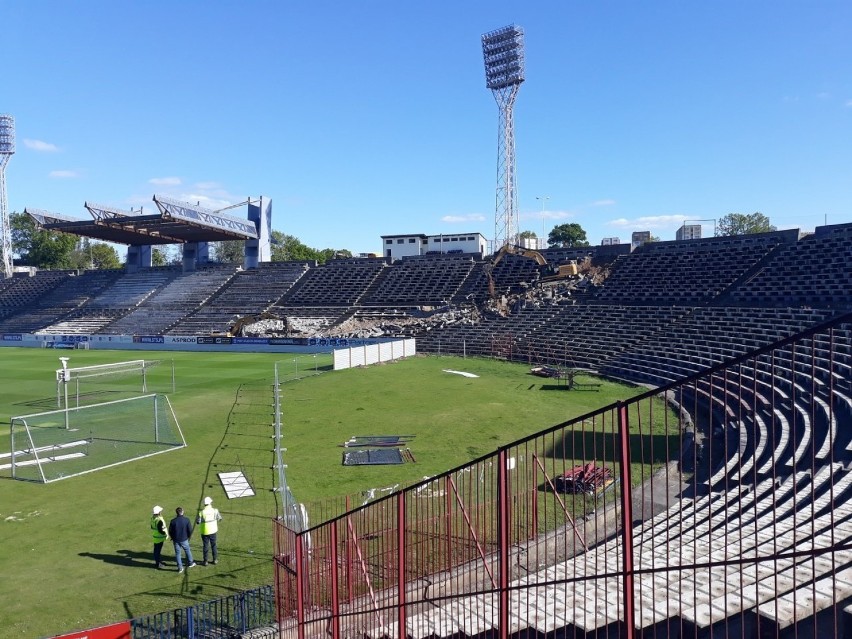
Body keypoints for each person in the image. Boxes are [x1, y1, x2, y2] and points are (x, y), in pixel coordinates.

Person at [167, 506, 197, 573]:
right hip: (184, 539)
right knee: (187, 550)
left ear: (177, 513)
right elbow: (190, 530)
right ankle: (191, 563)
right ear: (182, 512)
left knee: (178, 553)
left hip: (176, 540)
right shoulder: (186, 520)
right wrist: (188, 537)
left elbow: (170, 531)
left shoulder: (173, 521)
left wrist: (172, 537)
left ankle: (180, 568)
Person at [196, 496, 223, 565]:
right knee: (213, 545)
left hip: (204, 531)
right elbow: (220, 518)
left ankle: (205, 561)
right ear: (210, 503)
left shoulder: (201, 512)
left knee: (205, 546)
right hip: (213, 530)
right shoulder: (215, 510)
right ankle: (215, 560)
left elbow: (198, 522)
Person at [151, 505, 169, 569]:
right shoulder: (159, 520)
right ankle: (158, 563)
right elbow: (160, 530)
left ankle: (158, 562)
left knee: (156, 550)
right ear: (158, 512)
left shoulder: (152, 518)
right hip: (159, 537)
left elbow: (152, 527)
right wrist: (165, 534)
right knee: (157, 551)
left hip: (155, 536)